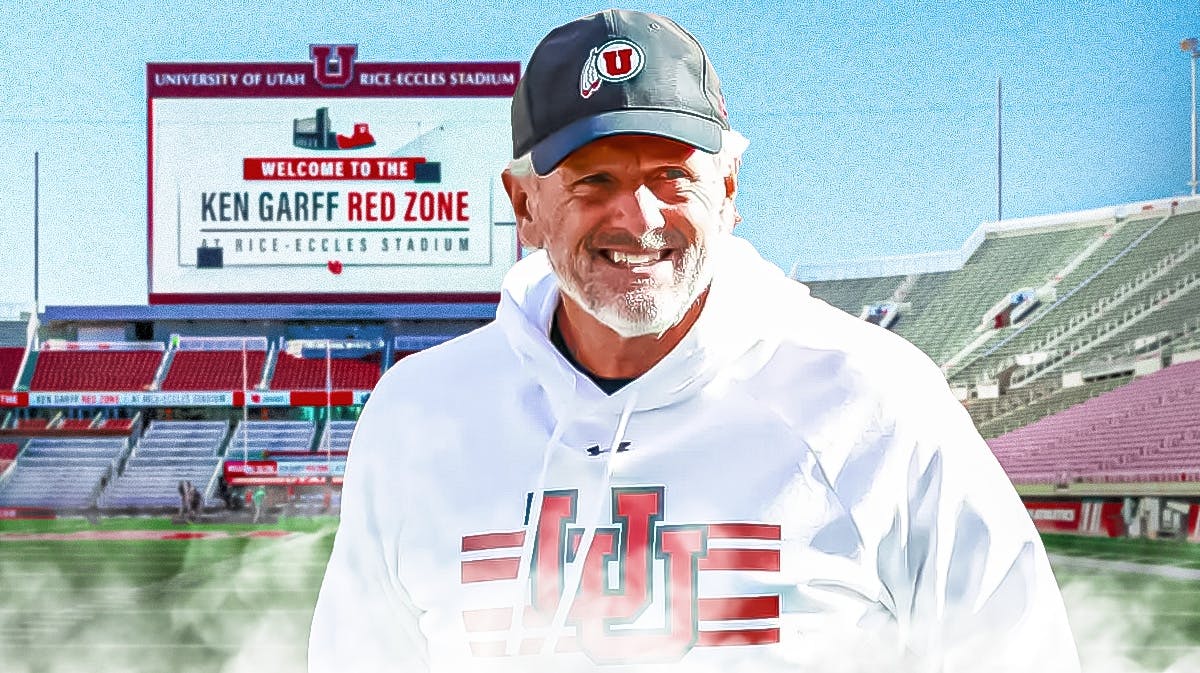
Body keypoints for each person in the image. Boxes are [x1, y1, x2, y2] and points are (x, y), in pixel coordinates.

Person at [310, 9, 1079, 673]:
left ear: (729, 190)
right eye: (592, 180)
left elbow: (1018, 650)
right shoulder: (420, 414)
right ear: (526, 204)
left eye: (673, 176)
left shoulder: (873, 398)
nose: (639, 218)